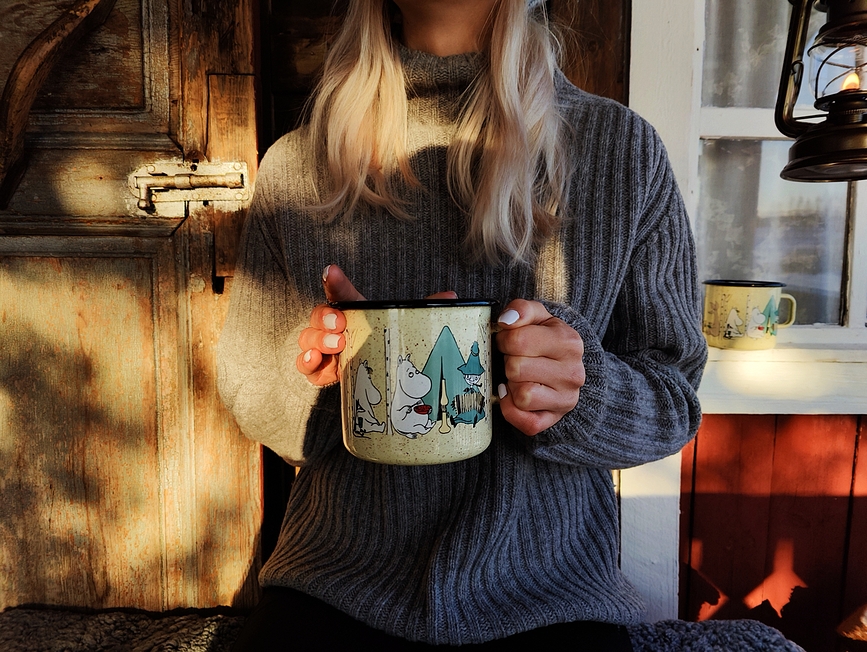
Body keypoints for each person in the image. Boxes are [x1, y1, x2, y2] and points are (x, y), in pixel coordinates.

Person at [216, 0, 707, 648]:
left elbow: (673, 399)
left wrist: (580, 393)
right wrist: (321, 380)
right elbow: (252, 396)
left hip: (553, 596)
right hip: (334, 583)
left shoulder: (621, 152)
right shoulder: (296, 165)